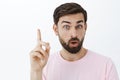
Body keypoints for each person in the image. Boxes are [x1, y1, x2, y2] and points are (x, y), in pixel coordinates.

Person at [30, 2, 119, 80]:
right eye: (66, 27)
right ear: (56, 29)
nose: (74, 34)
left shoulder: (105, 66)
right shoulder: (44, 66)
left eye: (79, 26)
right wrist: (36, 71)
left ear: (85, 27)